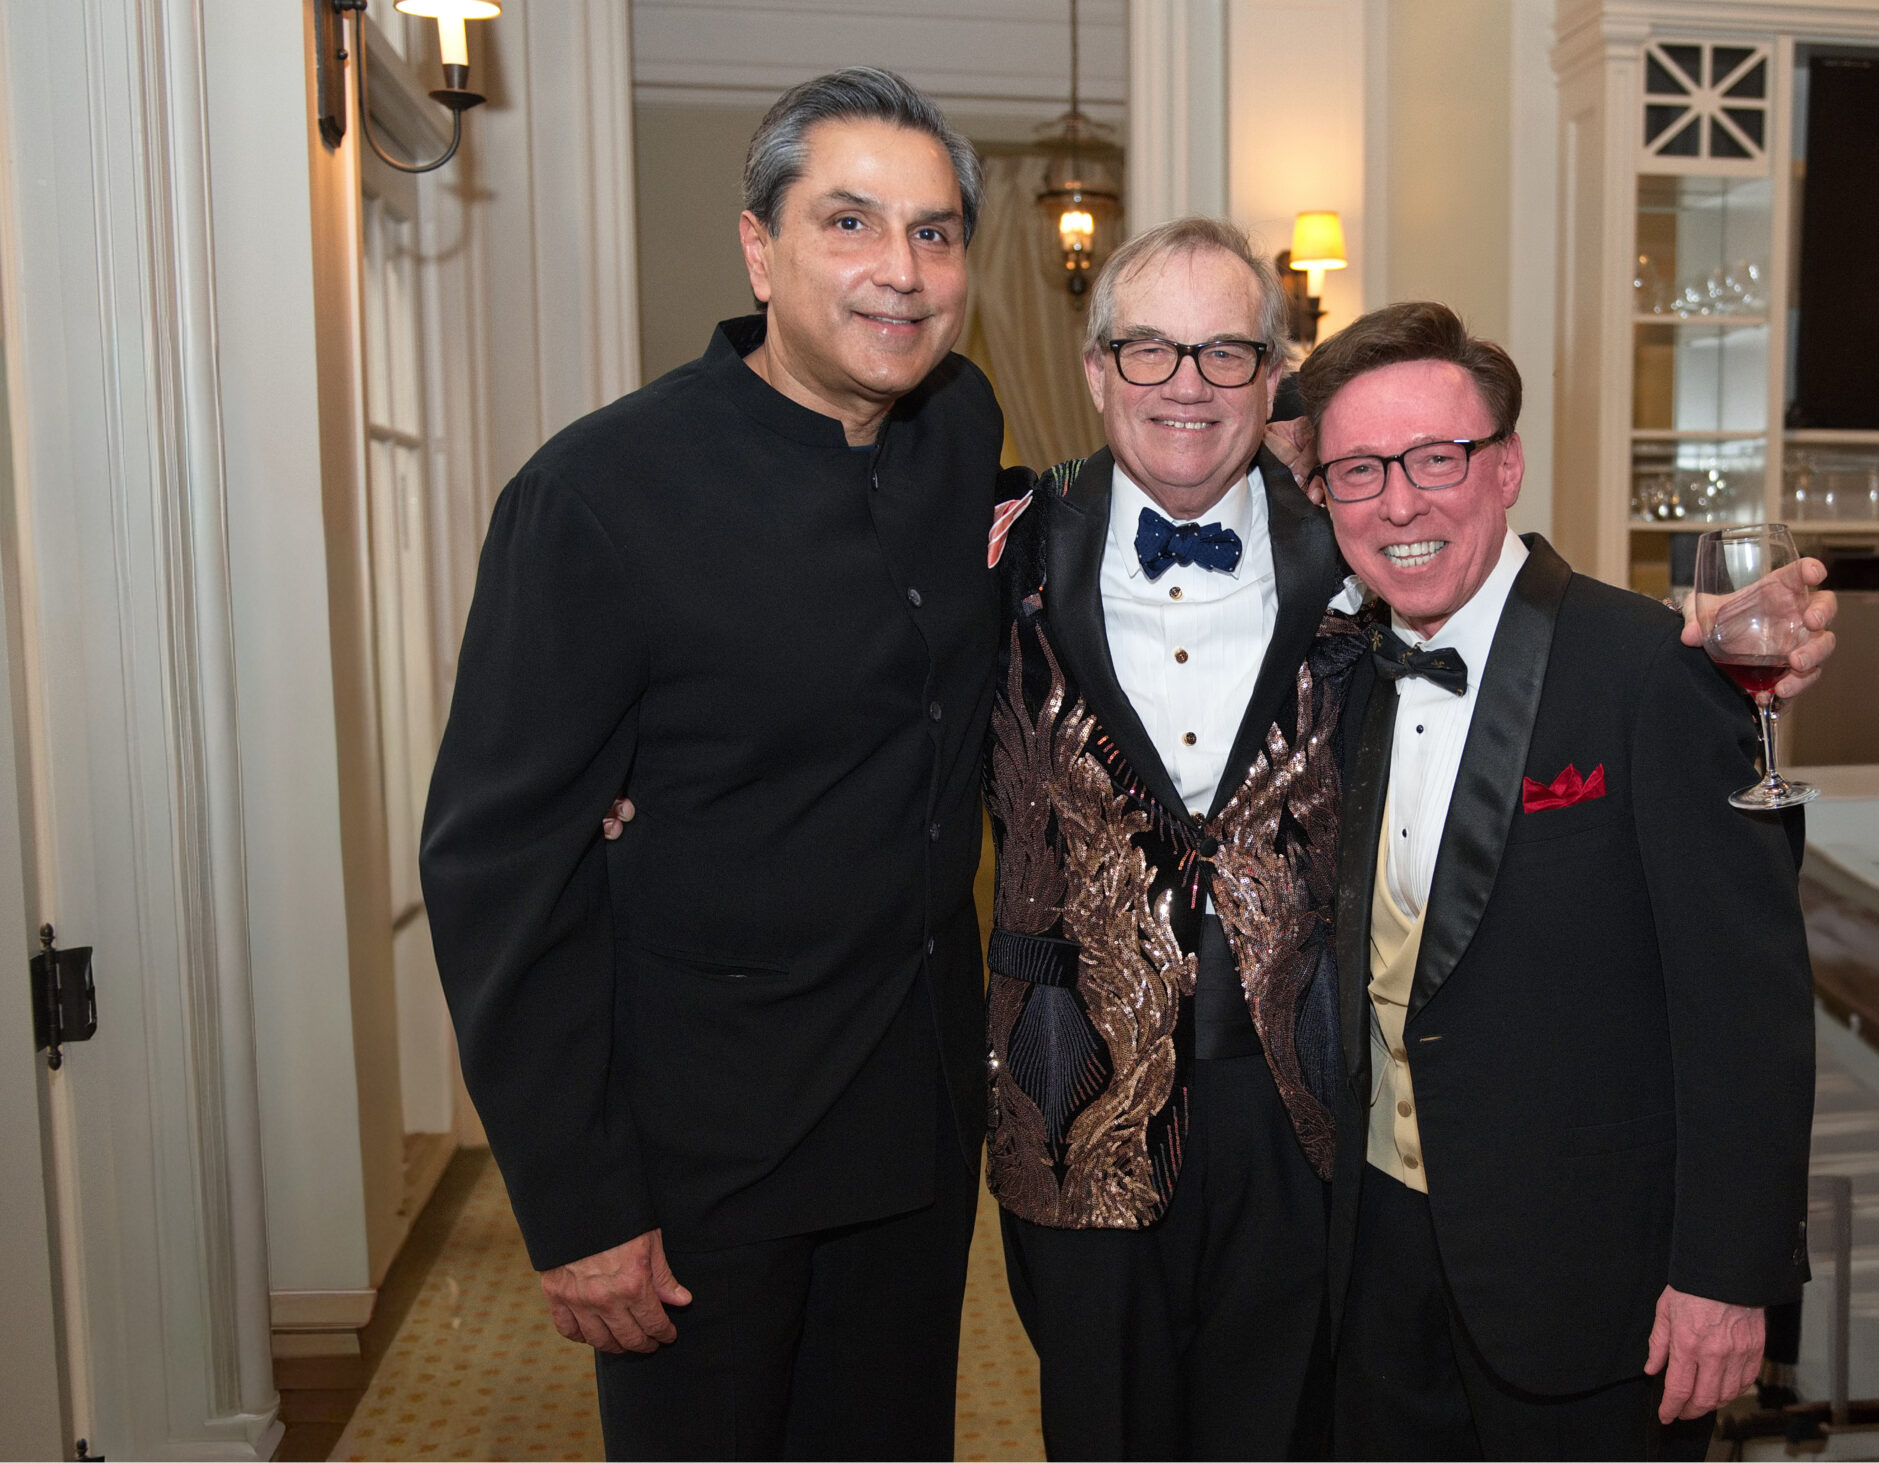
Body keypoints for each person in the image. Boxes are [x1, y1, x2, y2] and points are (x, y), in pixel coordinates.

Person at [419, 69, 1002, 1460]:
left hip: (914, 1123)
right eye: (850, 223)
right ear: (760, 245)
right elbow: (498, 868)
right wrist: (578, 1204)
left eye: (934, 234)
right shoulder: (596, 496)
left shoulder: (962, 425)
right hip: (704, 1151)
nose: (901, 275)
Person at [1301, 302, 1816, 1461]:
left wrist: (1724, 1277)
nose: (1398, 501)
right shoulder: (1348, 671)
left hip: (1595, 1288)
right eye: (1356, 471)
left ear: (1505, 467)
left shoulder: (1650, 669)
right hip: (1379, 1263)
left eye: (1435, 458)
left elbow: (1745, 1002)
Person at [981, 217, 1358, 1460]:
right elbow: (833, 673)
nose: (1186, 384)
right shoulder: (1000, 550)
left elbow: (1523, 636)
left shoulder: (1358, 552)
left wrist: (1697, 646)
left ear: (1270, 374)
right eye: (1150, 350)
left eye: (1224, 352)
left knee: (1286, 1425)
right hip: (1069, 1086)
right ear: (1097, 371)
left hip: (1298, 1100)